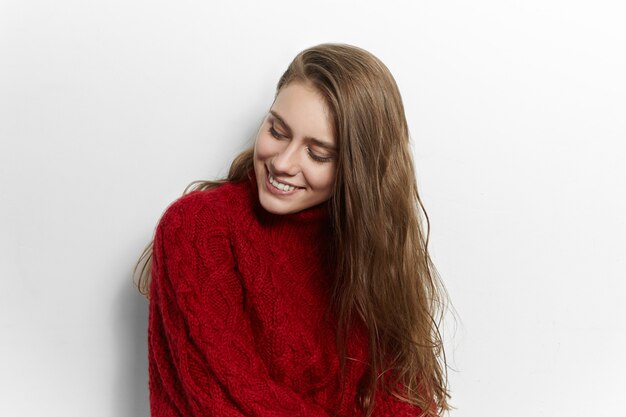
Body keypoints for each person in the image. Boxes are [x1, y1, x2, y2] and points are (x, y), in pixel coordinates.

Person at [135, 43, 450, 417]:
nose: (283, 163)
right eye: (278, 131)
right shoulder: (197, 228)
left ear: (358, 169)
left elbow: (404, 397)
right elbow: (228, 402)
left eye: (317, 154)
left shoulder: (369, 249)